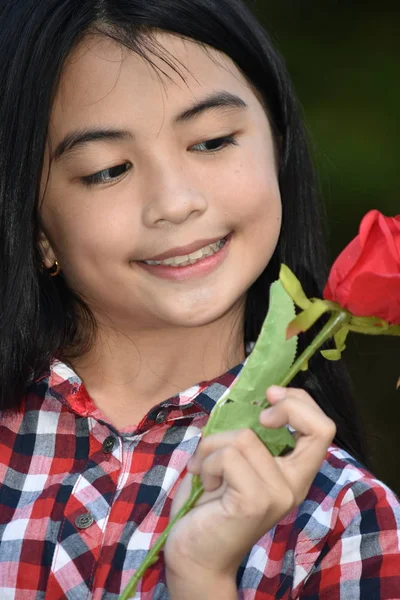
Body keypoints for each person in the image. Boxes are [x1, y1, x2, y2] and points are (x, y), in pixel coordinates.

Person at [0, 0, 399, 598]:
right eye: (108, 170)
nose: (176, 201)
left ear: (278, 147)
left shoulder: (346, 521)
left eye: (212, 142)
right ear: (35, 227)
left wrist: (202, 576)